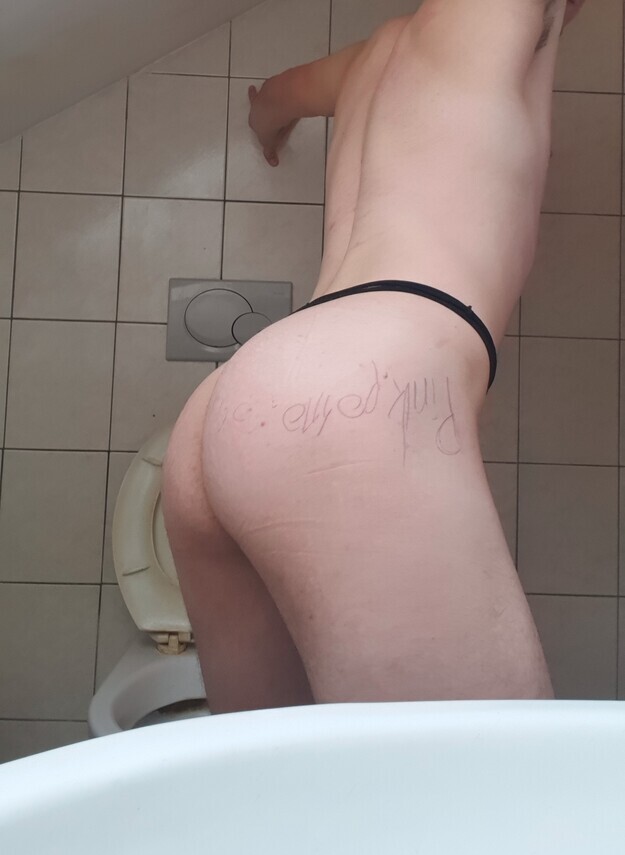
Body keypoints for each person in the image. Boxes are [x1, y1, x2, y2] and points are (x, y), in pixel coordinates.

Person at [162, 0, 587, 714]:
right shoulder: (492, 17)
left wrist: (268, 127)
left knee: (277, 773)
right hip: (357, 397)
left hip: (241, 402)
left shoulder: (368, 61)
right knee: (483, 774)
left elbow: (272, 100)